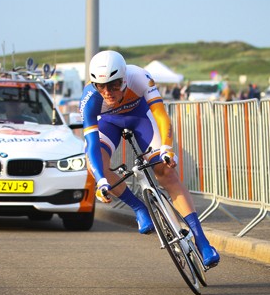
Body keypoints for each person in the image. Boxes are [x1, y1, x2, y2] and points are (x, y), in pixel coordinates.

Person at [79, 50, 220, 268]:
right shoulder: (90, 98)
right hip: (108, 123)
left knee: (165, 171)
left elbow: (161, 115)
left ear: (124, 78)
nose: (108, 92)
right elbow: (92, 144)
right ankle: (139, 208)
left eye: (114, 85)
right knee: (96, 164)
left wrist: (166, 148)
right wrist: (101, 180)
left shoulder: (139, 77)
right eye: (101, 86)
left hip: (140, 117)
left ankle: (202, 241)